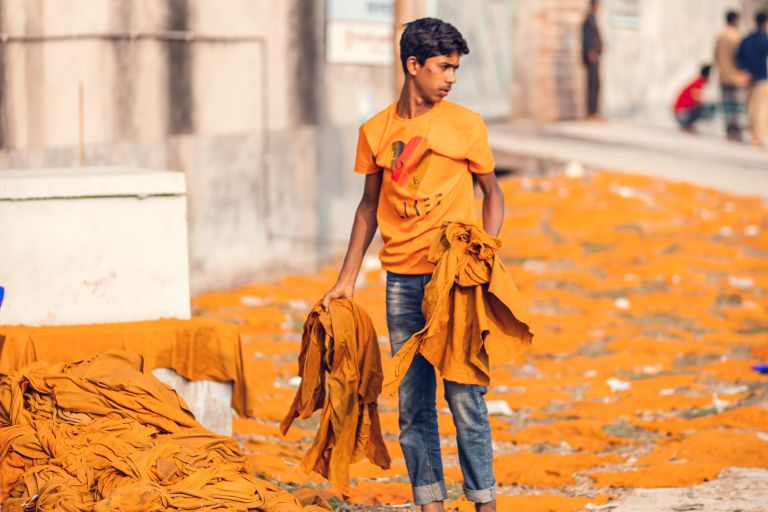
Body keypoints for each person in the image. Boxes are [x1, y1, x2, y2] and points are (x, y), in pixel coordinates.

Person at [320, 17, 503, 512]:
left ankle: (484, 502)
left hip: (455, 282)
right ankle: (430, 504)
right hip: (401, 283)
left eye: (456, 69)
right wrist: (346, 280)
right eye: (443, 67)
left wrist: (483, 253)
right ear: (413, 65)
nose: (450, 78)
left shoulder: (466, 124)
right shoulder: (375, 131)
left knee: (465, 398)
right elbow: (366, 208)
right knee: (412, 403)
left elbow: (493, 193)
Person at [714, 10, 748, 141]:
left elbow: (715, 55)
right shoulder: (737, 36)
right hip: (736, 76)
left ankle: (729, 130)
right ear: (735, 20)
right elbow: (740, 57)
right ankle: (737, 130)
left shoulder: (720, 35)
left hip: (723, 75)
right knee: (737, 105)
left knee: (727, 104)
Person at [736, 11, 768, 148]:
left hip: (748, 79)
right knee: (762, 109)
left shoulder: (747, 39)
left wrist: (745, 71)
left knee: (751, 108)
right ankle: (756, 139)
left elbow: (738, 57)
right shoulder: (765, 40)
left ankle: (751, 134)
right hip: (762, 78)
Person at [673, 65, 716, 133]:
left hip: (680, 113)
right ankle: (687, 123)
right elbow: (696, 98)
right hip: (681, 115)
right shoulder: (699, 82)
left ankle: (688, 124)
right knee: (706, 107)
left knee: (704, 106)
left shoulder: (697, 81)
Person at [582, 0, 604, 120]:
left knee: (596, 85)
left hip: (595, 57)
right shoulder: (589, 20)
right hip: (592, 58)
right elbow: (587, 38)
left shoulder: (593, 19)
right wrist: (591, 52)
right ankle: (591, 113)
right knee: (592, 85)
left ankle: (594, 112)